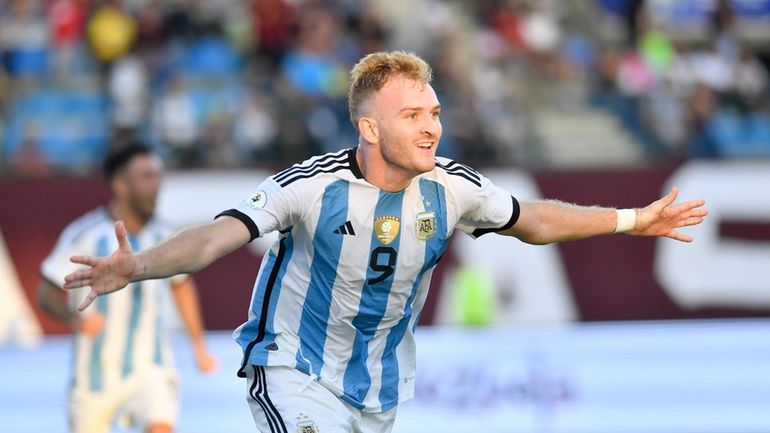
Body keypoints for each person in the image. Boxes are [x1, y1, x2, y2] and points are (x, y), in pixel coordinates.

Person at [63, 51, 707, 433]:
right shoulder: (309, 188)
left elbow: (533, 221)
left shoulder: (452, 188)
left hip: (380, 389)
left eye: (434, 112)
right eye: (413, 116)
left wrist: (630, 220)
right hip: (294, 371)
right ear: (370, 127)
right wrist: (139, 264)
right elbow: (213, 239)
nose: (433, 128)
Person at [39, 143, 217, 433]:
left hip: (152, 368)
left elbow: (181, 285)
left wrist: (198, 345)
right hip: (94, 376)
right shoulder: (84, 234)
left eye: (157, 176)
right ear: (120, 185)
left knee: (160, 426)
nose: (156, 185)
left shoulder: (165, 234)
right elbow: (45, 294)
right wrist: (76, 321)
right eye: (146, 177)